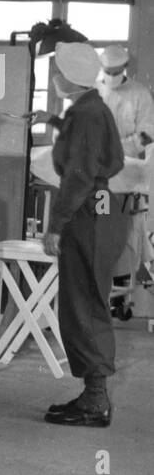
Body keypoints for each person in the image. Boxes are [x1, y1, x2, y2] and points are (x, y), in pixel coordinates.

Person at [38, 43, 125, 426]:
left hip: (87, 210)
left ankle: (94, 401)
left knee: (83, 303)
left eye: (57, 70)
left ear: (68, 75)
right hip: (101, 206)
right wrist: (55, 122)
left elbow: (77, 176)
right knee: (90, 298)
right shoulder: (91, 109)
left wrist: (55, 225)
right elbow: (97, 158)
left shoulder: (86, 114)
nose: (53, 77)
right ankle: (94, 395)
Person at [95, 45, 154, 314]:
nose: (112, 75)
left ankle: (119, 293)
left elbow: (148, 133)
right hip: (100, 180)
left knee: (125, 236)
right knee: (100, 230)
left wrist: (123, 147)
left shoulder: (139, 94)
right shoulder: (94, 92)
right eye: (108, 71)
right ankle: (99, 288)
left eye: (116, 72)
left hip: (128, 176)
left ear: (125, 69)